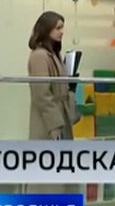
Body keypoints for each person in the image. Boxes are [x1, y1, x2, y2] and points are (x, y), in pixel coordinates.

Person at [26, 11, 80, 196]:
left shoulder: (52, 54)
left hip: (59, 116)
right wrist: (55, 124)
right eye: (58, 28)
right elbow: (42, 94)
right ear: (46, 29)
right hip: (49, 121)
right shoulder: (40, 56)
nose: (62, 31)